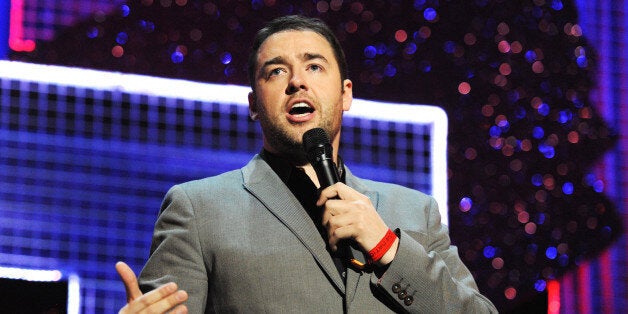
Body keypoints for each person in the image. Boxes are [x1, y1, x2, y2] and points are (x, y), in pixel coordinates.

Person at [116, 15, 497, 313]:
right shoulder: (197, 210)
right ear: (253, 105)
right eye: (276, 71)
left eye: (314, 66)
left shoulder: (416, 212)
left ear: (346, 93)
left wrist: (386, 248)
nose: (297, 81)